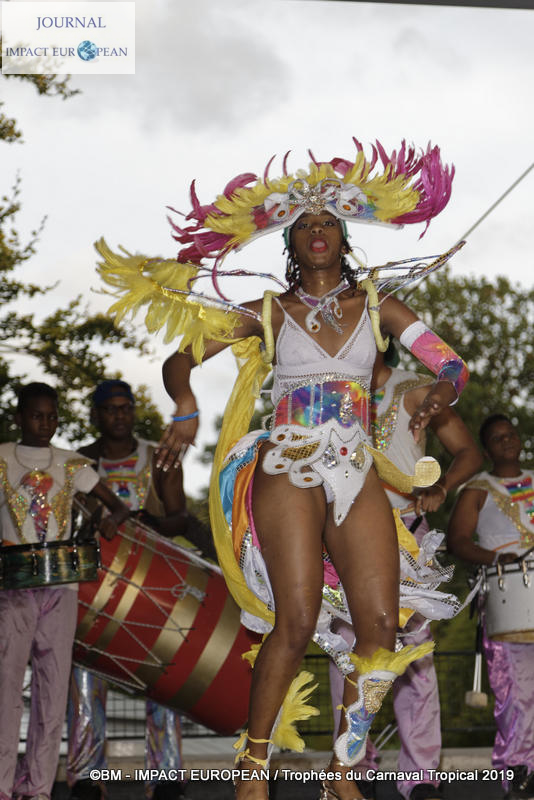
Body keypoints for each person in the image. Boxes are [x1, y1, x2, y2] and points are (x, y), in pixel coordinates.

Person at [96, 139, 468, 800]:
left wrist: (447, 387)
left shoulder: (378, 305)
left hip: (356, 467)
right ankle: (253, 765)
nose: (318, 232)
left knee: (380, 628)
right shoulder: (269, 312)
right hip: (288, 461)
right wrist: (183, 403)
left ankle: (343, 772)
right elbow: (182, 358)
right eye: (305, 226)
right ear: (292, 243)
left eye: (329, 223)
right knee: (294, 620)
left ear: (344, 238)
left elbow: (449, 360)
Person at [329, 345, 482, 800]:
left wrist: (441, 486)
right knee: (348, 656)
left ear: (379, 337)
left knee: (416, 659)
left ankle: (420, 778)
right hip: (343, 538)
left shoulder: (412, 389)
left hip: (405, 538)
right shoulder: (327, 392)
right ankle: (352, 766)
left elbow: (468, 454)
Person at [66, 379, 200, 800]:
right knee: (85, 678)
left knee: (161, 679)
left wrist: (142, 522)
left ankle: (166, 777)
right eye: (110, 409)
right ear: (97, 415)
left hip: (154, 585)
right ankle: (88, 777)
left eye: (126, 408)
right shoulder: (78, 461)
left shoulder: (157, 458)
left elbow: (179, 517)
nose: (119, 415)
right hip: (93, 587)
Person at [0, 382, 128, 800]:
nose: (45, 424)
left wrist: (109, 521)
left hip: (61, 587)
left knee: (53, 691)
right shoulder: (1, 457)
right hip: (13, 588)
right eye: (36, 416)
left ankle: (37, 788)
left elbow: (118, 504)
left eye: (52, 416)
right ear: (18, 418)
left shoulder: (72, 463)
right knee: (6, 691)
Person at [448, 414, 534, 800]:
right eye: (497, 438)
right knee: (516, 690)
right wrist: (495, 559)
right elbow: (458, 541)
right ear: (487, 449)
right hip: (507, 595)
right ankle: (519, 767)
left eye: (510, 435)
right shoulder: (476, 489)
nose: (507, 442)